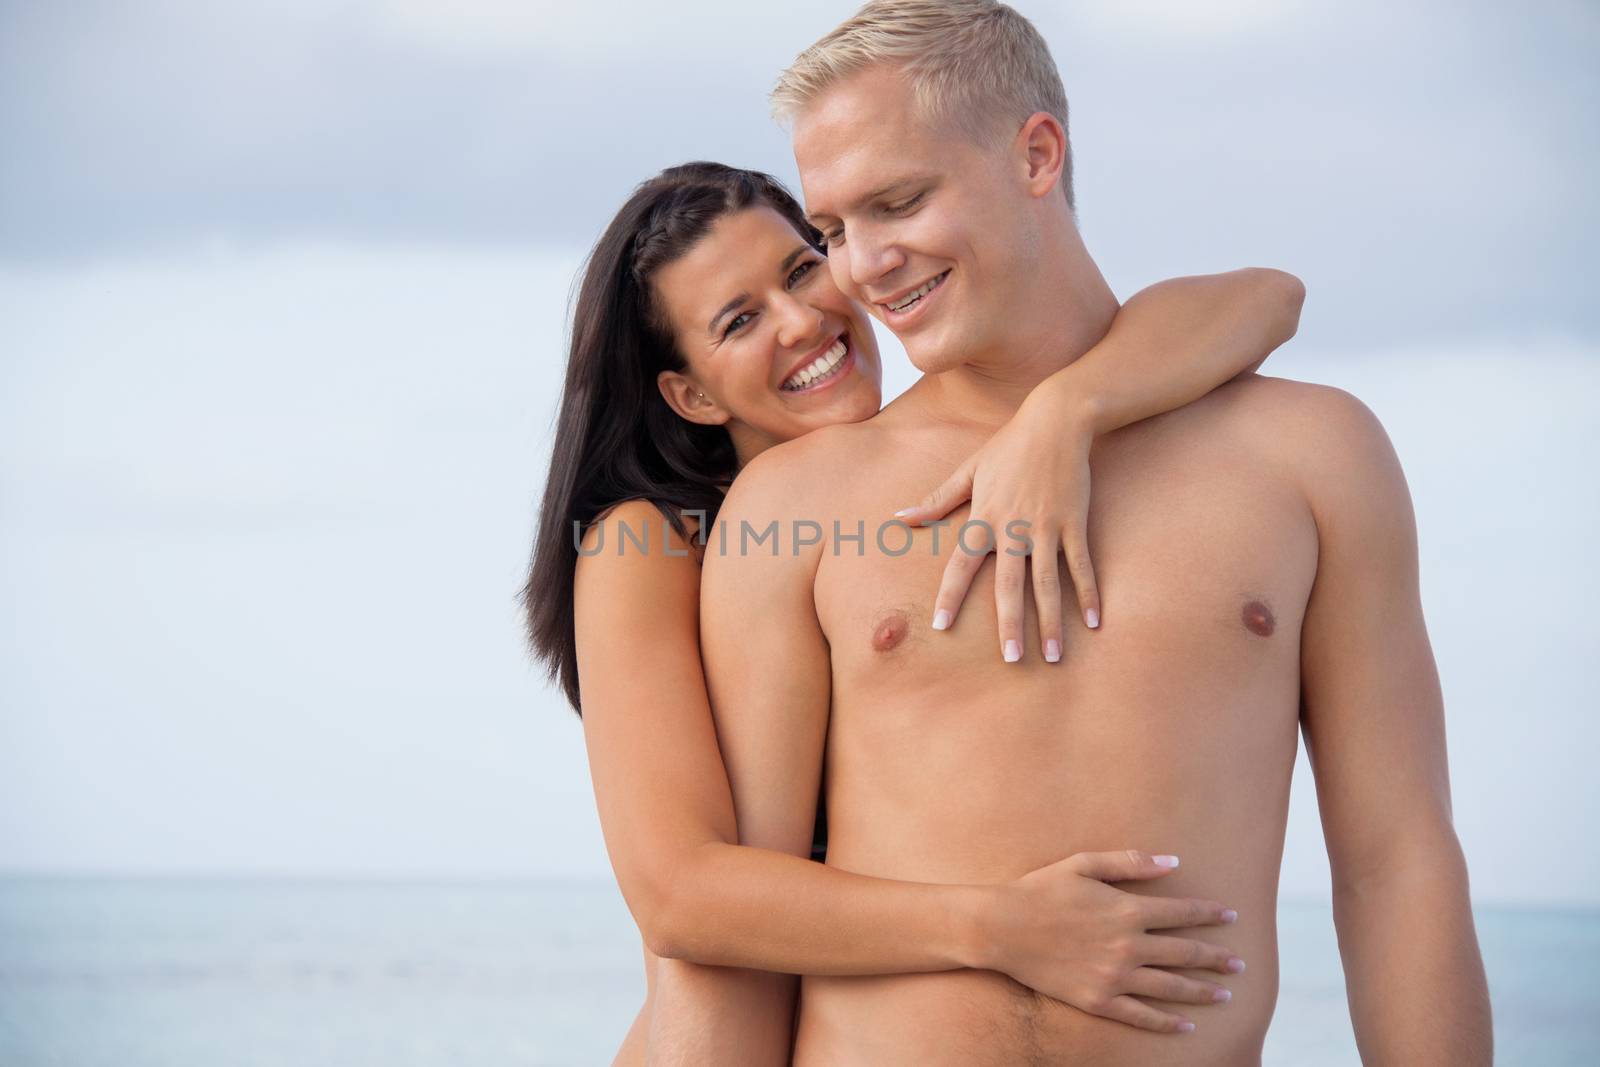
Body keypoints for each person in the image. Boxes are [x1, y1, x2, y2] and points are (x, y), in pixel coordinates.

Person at [688, 2, 1492, 1064]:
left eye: (898, 201)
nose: (863, 267)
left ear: (1034, 153)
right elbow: (740, 924)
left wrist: (1066, 412)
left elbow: (1396, 865)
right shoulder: (794, 503)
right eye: (834, 229)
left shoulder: (1310, 456)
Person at [523, 161, 1306, 1062]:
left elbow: (1267, 298)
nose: (801, 320)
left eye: (800, 270)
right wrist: (999, 927)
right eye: (740, 321)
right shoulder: (650, 545)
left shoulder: (918, 479)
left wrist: (1066, 411)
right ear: (692, 394)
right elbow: (682, 901)